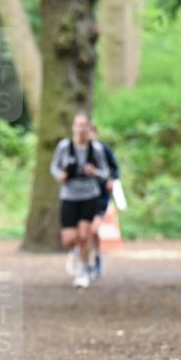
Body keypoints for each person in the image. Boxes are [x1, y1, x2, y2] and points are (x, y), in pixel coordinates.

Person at [51, 113, 117, 289]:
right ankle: (76, 253)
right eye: (78, 125)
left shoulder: (96, 149)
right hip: (69, 196)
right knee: (69, 239)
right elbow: (54, 167)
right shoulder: (64, 146)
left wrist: (94, 172)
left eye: (84, 125)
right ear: (73, 127)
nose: (80, 129)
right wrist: (60, 175)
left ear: (88, 128)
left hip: (89, 195)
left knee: (84, 235)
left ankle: (83, 271)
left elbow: (106, 172)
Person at [84, 120, 119, 279]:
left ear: (95, 133)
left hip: (101, 195)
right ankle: (87, 261)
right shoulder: (78, 151)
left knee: (93, 229)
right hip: (83, 195)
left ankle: (96, 258)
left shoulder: (103, 149)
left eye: (91, 132)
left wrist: (111, 180)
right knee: (86, 231)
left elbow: (114, 169)